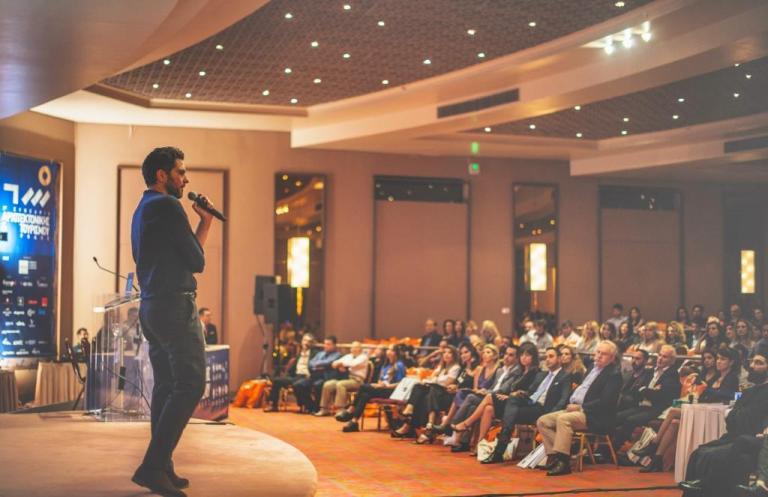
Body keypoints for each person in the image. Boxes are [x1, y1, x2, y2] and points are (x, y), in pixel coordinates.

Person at [130, 146, 215, 496]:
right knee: (191, 384)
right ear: (162, 175)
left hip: (152, 308)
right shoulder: (167, 205)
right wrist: (205, 223)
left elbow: (187, 256)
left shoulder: (143, 208)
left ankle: (162, 466)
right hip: (175, 307)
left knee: (166, 386)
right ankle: (152, 467)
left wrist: (204, 222)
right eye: (181, 172)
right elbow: (197, 261)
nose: (186, 179)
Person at [536, 340, 623, 476]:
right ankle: (555, 456)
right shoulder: (592, 368)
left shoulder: (614, 375)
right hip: (575, 410)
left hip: (594, 416)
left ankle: (563, 463)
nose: (599, 356)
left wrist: (580, 407)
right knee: (543, 421)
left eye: (604, 354)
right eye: (598, 352)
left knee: (563, 420)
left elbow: (605, 402)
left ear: (612, 358)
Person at [679, 375, 768, 497]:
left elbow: (751, 419)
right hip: (745, 435)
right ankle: (699, 486)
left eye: (759, 364)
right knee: (699, 453)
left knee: (733, 448)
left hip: (757, 439)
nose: (752, 366)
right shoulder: (751, 391)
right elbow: (732, 419)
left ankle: (706, 482)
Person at [482, 346, 573, 464]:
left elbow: (563, 399)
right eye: (546, 357)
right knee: (512, 399)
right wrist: (522, 393)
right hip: (529, 403)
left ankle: (499, 450)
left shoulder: (565, 376)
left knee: (508, 412)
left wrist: (551, 414)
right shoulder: (542, 375)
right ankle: (500, 448)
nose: (547, 359)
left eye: (551, 356)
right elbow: (531, 392)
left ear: (560, 359)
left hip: (543, 409)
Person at [612, 345, 679, 449]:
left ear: (672, 360)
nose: (660, 359)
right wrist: (648, 390)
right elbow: (638, 388)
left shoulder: (672, 374)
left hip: (657, 408)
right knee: (617, 416)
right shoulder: (651, 371)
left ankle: (615, 448)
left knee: (630, 420)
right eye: (659, 355)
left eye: (664, 357)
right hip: (642, 405)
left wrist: (645, 390)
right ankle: (608, 446)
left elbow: (660, 396)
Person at [336, 345, 406, 432]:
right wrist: (379, 384)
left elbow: (400, 383)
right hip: (382, 389)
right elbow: (381, 380)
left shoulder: (399, 365)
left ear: (396, 353)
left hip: (392, 391)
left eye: (391, 350)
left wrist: (385, 386)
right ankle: (354, 421)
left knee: (363, 387)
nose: (388, 351)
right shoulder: (386, 365)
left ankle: (351, 409)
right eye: (388, 349)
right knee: (365, 395)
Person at [264, 333, 316, 412]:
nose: (305, 343)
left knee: (297, 385)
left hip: (307, 376)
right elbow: (292, 368)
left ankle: (308, 405)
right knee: (277, 380)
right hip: (296, 376)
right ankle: (273, 405)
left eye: (308, 341)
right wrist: (287, 376)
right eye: (304, 340)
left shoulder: (315, 354)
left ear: (311, 343)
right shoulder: (299, 354)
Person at [315, 341, 369, 416]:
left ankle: (340, 410)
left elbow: (353, 364)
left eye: (356, 347)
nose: (353, 349)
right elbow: (334, 363)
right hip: (346, 378)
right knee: (328, 384)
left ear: (360, 349)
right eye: (352, 347)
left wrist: (342, 364)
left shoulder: (363, 357)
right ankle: (324, 409)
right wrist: (338, 365)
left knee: (341, 384)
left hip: (357, 381)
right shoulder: (349, 356)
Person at [294, 336, 342, 413]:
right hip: (314, 376)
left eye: (328, 344)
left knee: (317, 385)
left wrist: (317, 364)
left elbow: (328, 362)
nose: (325, 346)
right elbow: (310, 363)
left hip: (326, 377)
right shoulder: (320, 353)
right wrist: (318, 365)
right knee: (298, 385)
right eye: (325, 344)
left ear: (334, 345)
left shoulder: (337, 355)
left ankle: (317, 408)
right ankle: (310, 406)